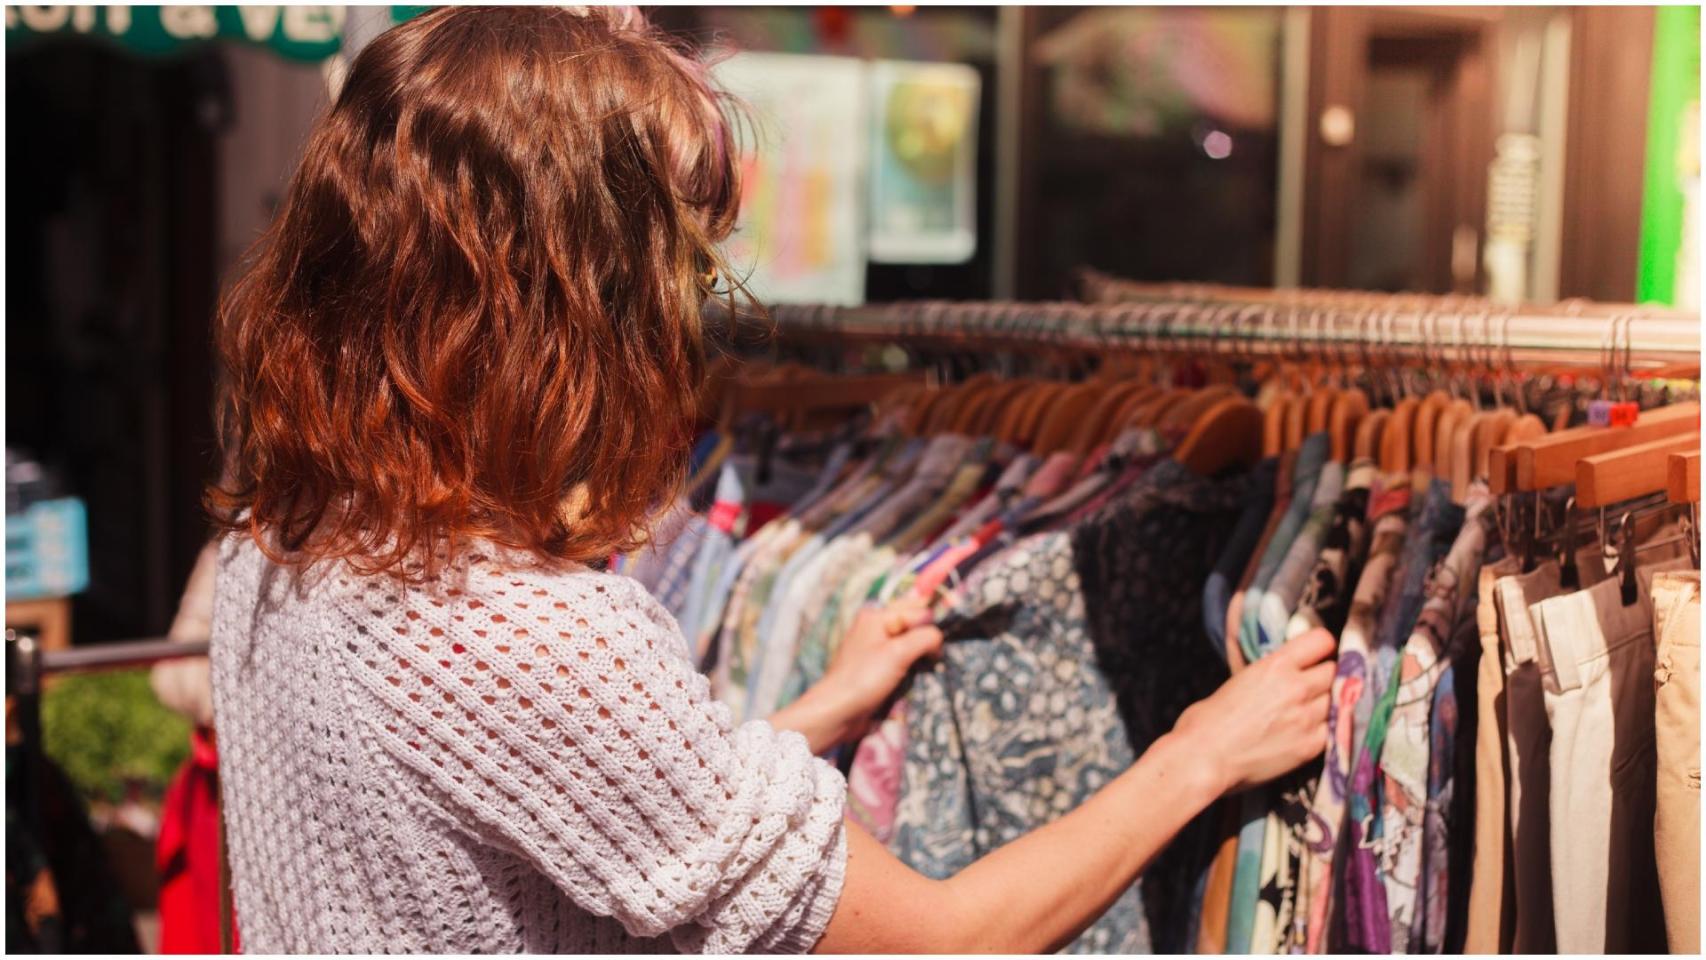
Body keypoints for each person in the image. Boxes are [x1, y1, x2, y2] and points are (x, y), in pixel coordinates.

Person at [206, 6, 1335, 953]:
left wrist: (814, 713)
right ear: (568, 299)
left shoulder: (278, 540)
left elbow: (555, 804)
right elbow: (941, 937)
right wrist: (1200, 753)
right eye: (678, 259)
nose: (691, 304)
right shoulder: (525, 630)